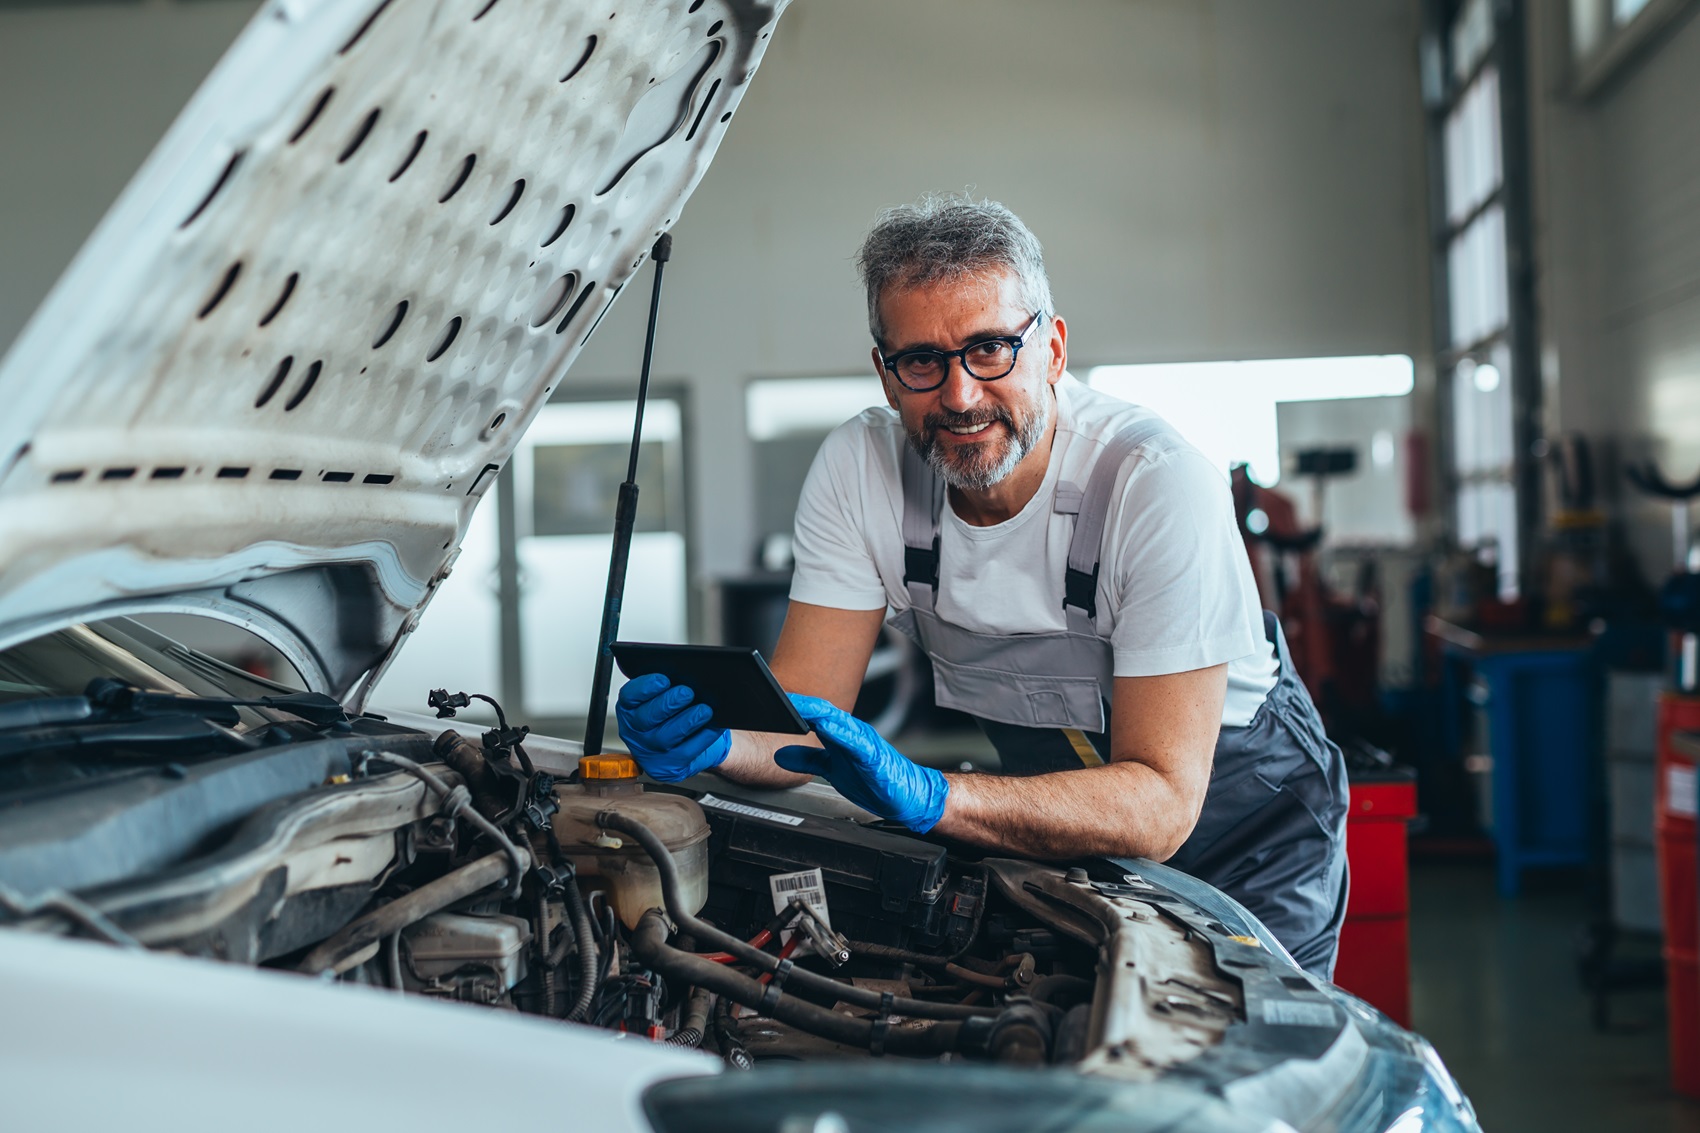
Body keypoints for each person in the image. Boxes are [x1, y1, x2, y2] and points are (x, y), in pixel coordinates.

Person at [616, 194, 1348, 977]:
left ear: (1054, 350)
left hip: (1244, 829)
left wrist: (937, 797)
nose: (960, 396)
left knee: (1226, 1072)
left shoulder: (1153, 482)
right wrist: (719, 742)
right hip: (1057, 819)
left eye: (992, 348)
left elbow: (1163, 804)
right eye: (923, 361)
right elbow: (801, 727)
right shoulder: (861, 471)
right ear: (887, 375)